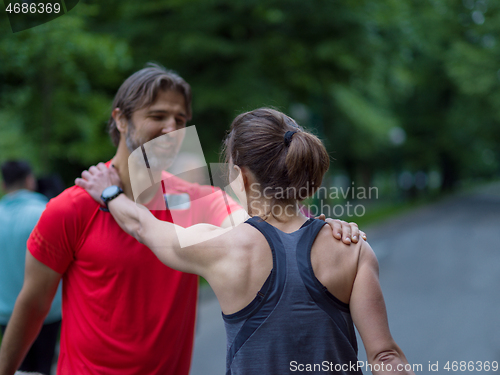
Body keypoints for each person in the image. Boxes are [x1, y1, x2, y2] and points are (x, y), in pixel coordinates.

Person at [0, 65, 363, 375]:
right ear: (121, 119)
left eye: (180, 119)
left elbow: (277, 222)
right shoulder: (72, 208)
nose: (172, 127)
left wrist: (325, 228)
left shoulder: (200, 199)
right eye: (157, 116)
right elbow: (33, 305)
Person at [76, 108, 415, 375]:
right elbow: (385, 356)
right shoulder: (351, 248)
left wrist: (108, 192)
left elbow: (142, 226)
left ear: (242, 176)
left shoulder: (221, 248)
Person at [0, 160, 62, 375]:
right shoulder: (46, 212)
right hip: (48, 313)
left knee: (15, 368)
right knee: (44, 368)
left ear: (4, 185)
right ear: (29, 180)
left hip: (7, 313)